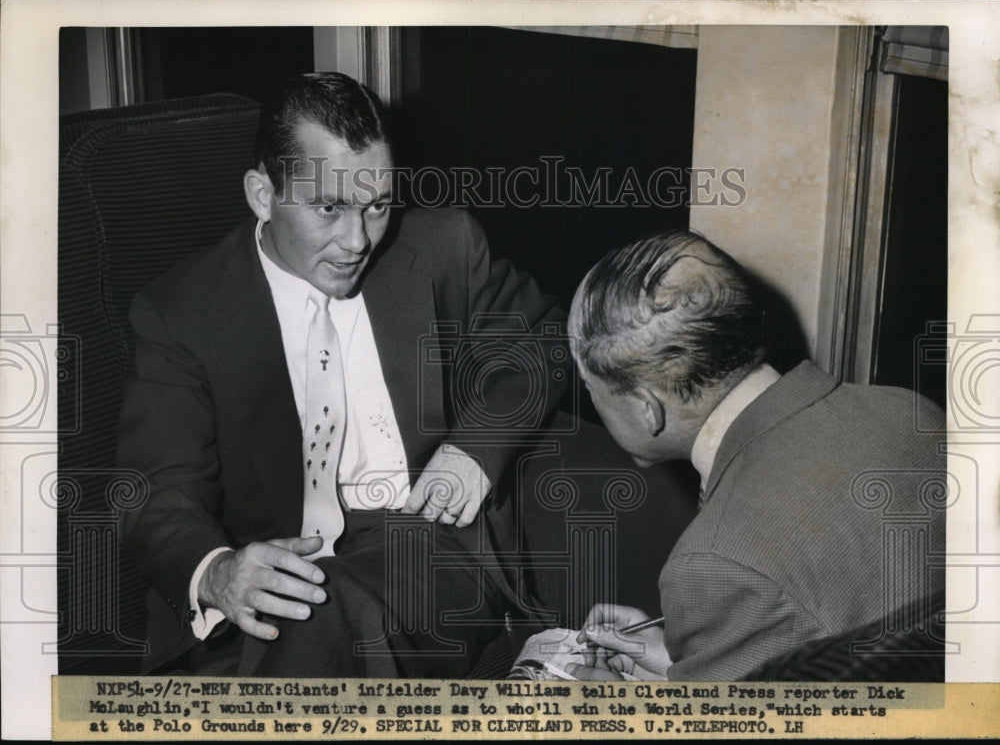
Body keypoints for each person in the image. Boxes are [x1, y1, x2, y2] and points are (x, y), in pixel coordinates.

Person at [118, 72, 569, 676]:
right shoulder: (180, 311)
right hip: (270, 571)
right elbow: (158, 486)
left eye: (377, 206)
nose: (358, 241)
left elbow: (543, 340)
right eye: (329, 208)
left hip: (426, 550)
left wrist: (473, 450)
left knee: (328, 619)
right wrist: (219, 571)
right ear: (262, 194)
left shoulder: (443, 248)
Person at [560, 230, 945, 681]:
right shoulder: (908, 410)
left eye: (590, 387)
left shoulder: (715, 562)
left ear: (648, 408)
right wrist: (689, 663)